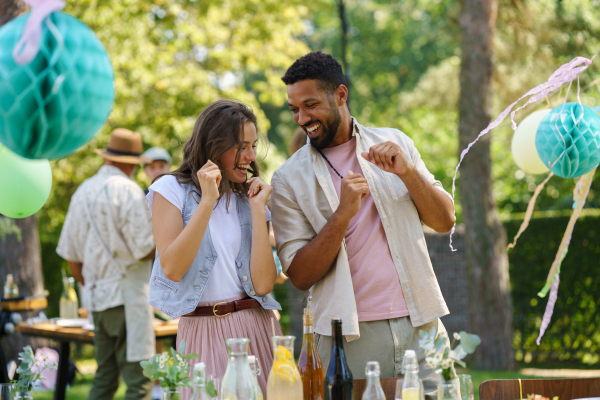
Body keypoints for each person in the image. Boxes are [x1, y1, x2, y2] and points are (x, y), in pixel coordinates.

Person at [271, 52, 456, 394]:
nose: (302, 118)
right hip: (349, 335)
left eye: (310, 105)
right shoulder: (288, 179)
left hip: (422, 322)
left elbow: (444, 220)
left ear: (340, 95)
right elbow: (299, 274)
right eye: (294, 109)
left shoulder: (396, 143)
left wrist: (408, 173)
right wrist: (342, 215)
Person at [146, 100, 282, 396]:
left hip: (257, 328)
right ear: (213, 145)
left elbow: (263, 283)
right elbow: (172, 268)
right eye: (240, 146)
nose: (249, 156)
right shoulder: (170, 189)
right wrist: (207, 202)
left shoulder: (251, 198)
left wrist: (259, 211)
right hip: (203, 331)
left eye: (253, 146)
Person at [56, 128, 156, 400]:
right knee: (140, 381)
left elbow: (71, 255)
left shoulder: (83, 191)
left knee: (105, 377)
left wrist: (92, 285)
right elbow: (145, 249)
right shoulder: (129, 191)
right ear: (131, 163)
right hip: (128, 298)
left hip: (97, 299)